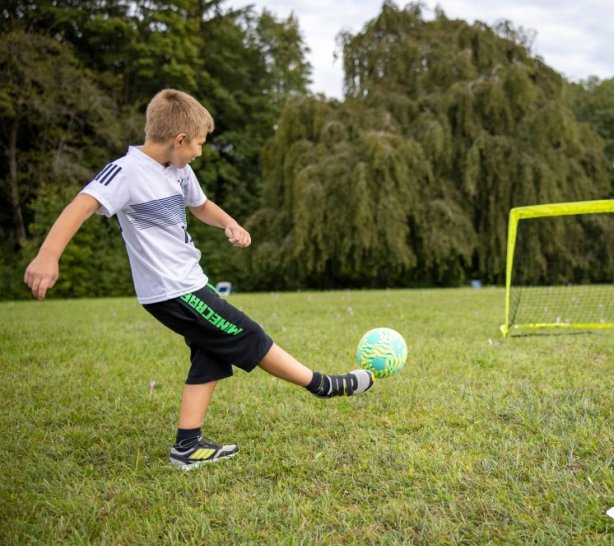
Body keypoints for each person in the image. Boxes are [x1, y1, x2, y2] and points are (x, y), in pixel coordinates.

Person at [23, 89, 374, 470]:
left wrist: (229, 223)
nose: (200, 153)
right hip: (171, 290)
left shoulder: (179, 170)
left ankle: (187, 446)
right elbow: (82, 204)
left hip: (189, 282)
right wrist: (47, 255)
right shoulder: (125, 171)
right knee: (248, 335)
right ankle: (322, 385)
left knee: (211, 352)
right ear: (179, 139)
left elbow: (201, 205)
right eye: (199, 145)